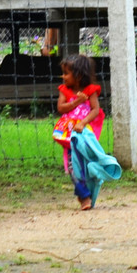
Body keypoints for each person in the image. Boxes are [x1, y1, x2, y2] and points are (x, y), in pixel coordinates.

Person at [53, 53, 104, 210]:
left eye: (66, 73)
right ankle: (83, 196)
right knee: (73, 165)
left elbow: (95, 109)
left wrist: (83, 123)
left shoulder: (91, 90)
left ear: (79, 75)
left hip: (85, 134)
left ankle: (90, 187)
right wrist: (77, 102)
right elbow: (60, 108)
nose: (63, 76)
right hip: (69, 135)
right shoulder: (64, 90)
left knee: (87, 162)